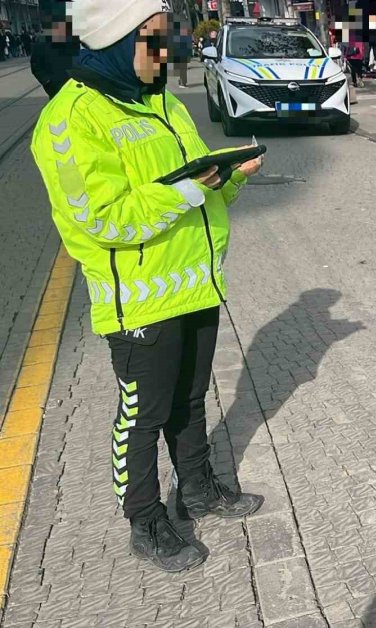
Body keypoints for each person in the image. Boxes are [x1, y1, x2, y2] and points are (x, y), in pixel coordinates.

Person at [31, 0, 264, 573]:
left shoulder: (161, 102)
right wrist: (187, 189)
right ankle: (145, 518)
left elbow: (198, 189)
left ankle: (198, 489)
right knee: (143, 416)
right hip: (139, 301)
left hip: (195, 285)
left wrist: (229, 177)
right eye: (153, 38)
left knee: (190, 400)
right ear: (114, 38)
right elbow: (101, 219)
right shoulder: (69, 118)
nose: (167, 50)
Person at [30, 6, 80, 98]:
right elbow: (36, 65)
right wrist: (47, 81)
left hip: (77, 86)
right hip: (55, 88)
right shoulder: (42, 43)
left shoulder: (74, 39)